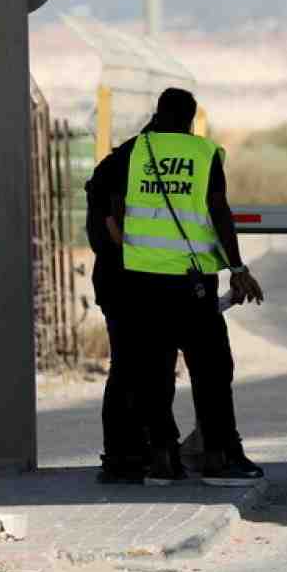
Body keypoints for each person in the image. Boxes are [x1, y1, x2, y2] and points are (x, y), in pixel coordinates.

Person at [90, 88, 268, 487]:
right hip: (192, 285)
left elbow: (114, 217)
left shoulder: (131, 154)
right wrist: (237, 268)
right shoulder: (203, 155)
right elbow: (218, 212)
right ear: (190, 119)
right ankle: (220, 458)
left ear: (157, 113)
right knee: (212, 370)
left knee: (154, 372)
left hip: (141, 283)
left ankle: (162, 460)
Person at [87, 146, 183, 486]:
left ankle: (136, 453)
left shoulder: (120, 162)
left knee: (139, 367)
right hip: (130, 284)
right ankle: (129, 455)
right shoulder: (130, 166)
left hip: (127, 283)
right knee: (136, 368)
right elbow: (117, 227)